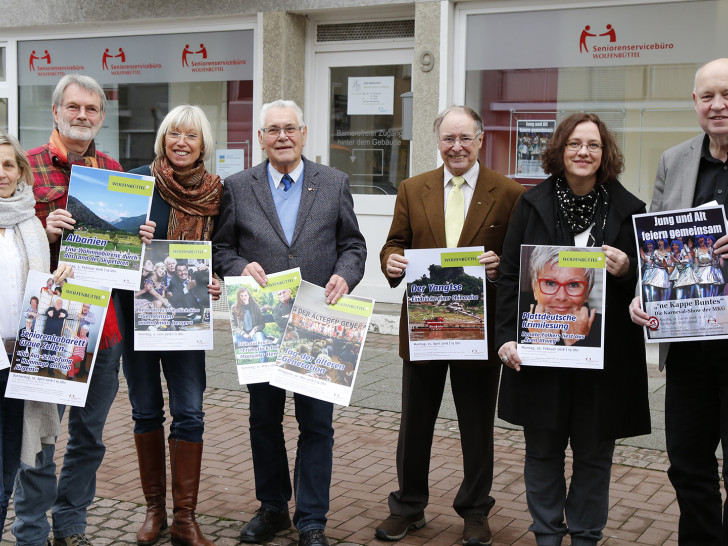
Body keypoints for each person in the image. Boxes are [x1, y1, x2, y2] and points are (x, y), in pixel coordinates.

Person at [212, 99, 366, 546]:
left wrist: (346, 274)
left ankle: (312, 520)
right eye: (272, 130)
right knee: (264, 419)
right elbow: (221, 248)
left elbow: (353, 245)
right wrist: (238, 267)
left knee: (317, 424)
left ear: (303, 133)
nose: (282, 136)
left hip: (317, 321)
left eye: (290, 128)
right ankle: (274, 507)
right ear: (260, 138)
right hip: (263, 321)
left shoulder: (333, 182)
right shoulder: (238, 186)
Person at [496, 113, 650, 546]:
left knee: (594, 456)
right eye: (575, 144)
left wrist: (627, 270)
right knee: (542, 451)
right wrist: (506, 337)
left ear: (605, 155)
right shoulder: (530, 204)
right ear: (560, 150)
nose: (584, 152)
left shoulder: (630, 209)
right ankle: (547, 534)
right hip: (542, 353)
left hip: (604, 361)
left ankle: (584, 536)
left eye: (594, 145)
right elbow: (510, 276)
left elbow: (649, 280)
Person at [16, 74, 154, 546]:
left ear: (100, 117)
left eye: (91, 110)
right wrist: (41, 226)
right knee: (42, 434)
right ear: (55, 112)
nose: (82, 116)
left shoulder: (115, 170)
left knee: (89, 434)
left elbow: (119, 247)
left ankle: (70, 526)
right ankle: (31, 530)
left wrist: (139, 235)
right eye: (73, 107)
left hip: (105, 321)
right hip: (51, 320)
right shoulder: (25, 166)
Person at [378, 105, 524, 545]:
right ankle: (408, 506)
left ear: (480, 140)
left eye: (465, 138)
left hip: (476, 330)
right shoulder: (412, 188)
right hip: (425, 328)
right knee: (415, 422)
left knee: (476, 425)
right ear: (437, 142)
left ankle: (475, 510)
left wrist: (501, 268)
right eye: (448, 139)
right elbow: (394, 244)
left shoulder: (509, 192)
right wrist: (391, 261)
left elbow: (518, 261)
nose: (456, 147)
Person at [630, 57, 728, 545]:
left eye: (727, 94)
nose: (718, 105)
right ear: (694, 102)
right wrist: (639, 296)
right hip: (688, 344)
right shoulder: (675, 160)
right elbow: (655, 249)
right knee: (687, 464)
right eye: (708, 96)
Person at [118, 104, 223, 546]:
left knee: (190, 412)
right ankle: (154, 511)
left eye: (192, 136)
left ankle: (185, 517)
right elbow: (105, 244)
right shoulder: (135, 182)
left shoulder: (217, 192)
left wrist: (217, 279)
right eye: (174, 133)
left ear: (203, 145)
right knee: (145, 409)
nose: (181, 142)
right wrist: (128, 232)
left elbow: (225, 249)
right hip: (136, 313)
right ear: (163, 138)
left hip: (185, 318)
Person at [0, 132, 73, 539]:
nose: (1, 173)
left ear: (20, 171)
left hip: (19, 362)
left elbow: (41, 293)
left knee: (8, 468)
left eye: (8, 164)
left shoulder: (31, 225)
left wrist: (61, 279)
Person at [521, 246, 601, 348]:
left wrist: (578, 344)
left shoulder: (605, 329)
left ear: (587, 292)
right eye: (550, 283)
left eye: (573, 284)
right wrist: (541, 346)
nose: (561, 297)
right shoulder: (513, 328)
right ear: (534, 288)